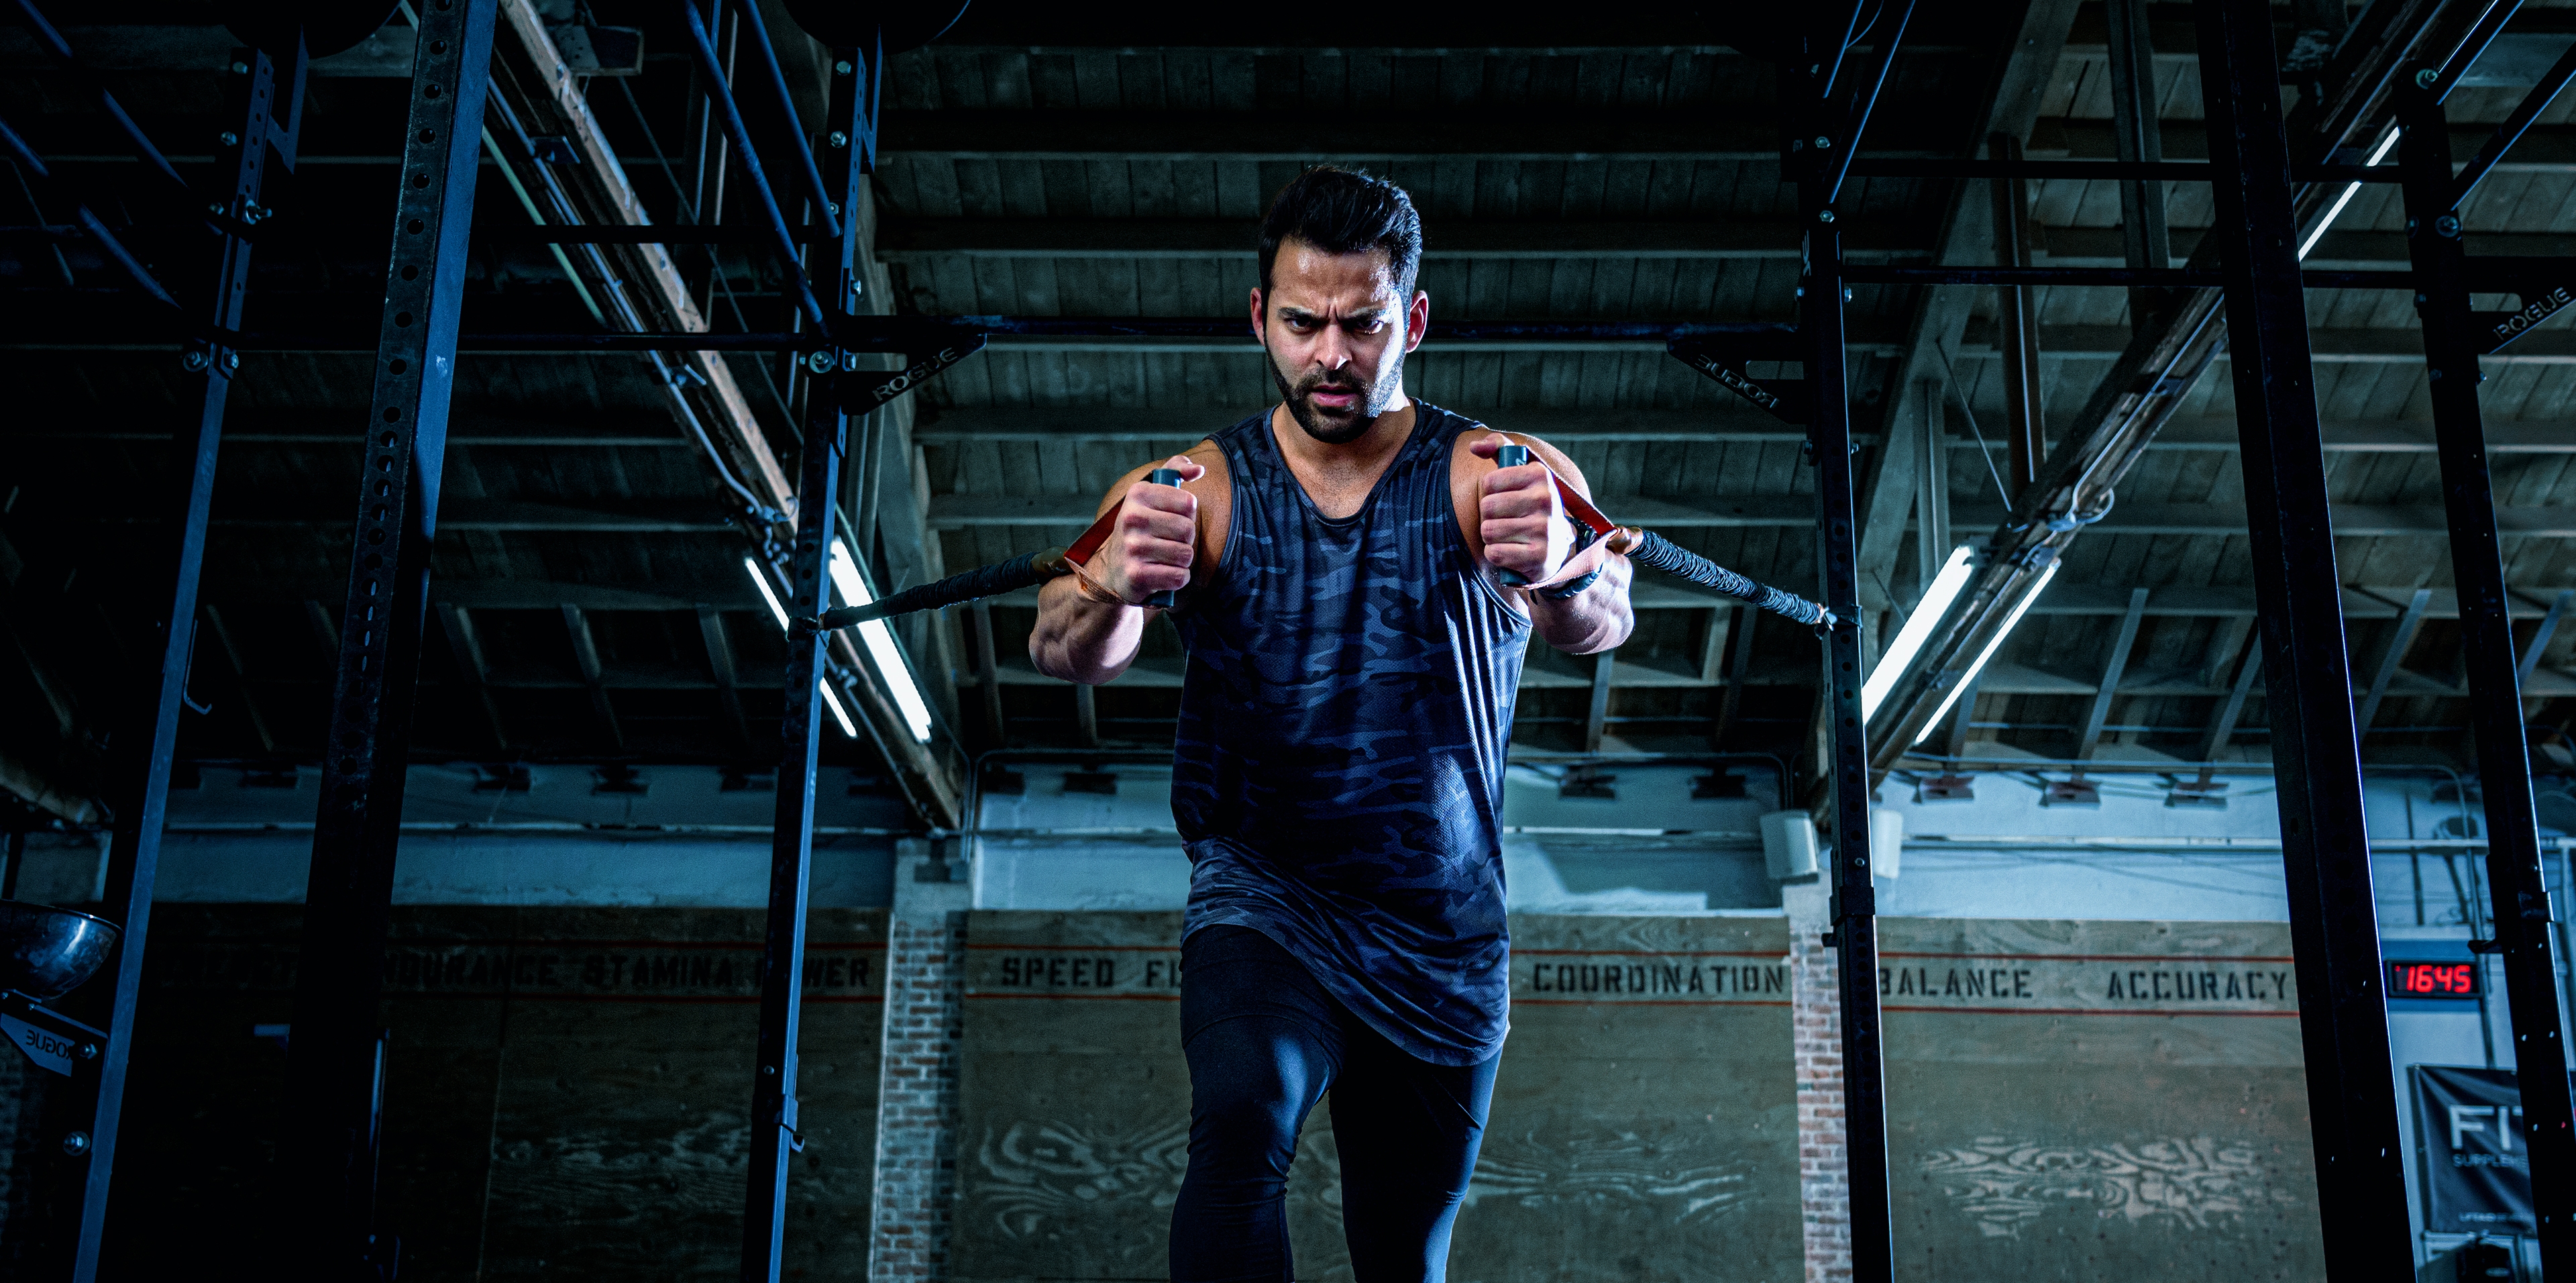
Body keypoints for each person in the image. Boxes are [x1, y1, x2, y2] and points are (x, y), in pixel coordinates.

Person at [1026, 166, 1635, 1282]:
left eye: (1361, 325)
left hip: (1439, 929)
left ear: (1412, 320)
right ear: (1261, 317)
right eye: (1302, 324)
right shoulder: (1193, 487)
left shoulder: (1494, 472)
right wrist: (1111, 581)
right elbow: (1061, 645)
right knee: (1243, 1121)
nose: (1331, 355)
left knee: (1403, 1254)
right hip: (1264, 894)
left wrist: (1553, 568)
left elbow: (1603, 618)